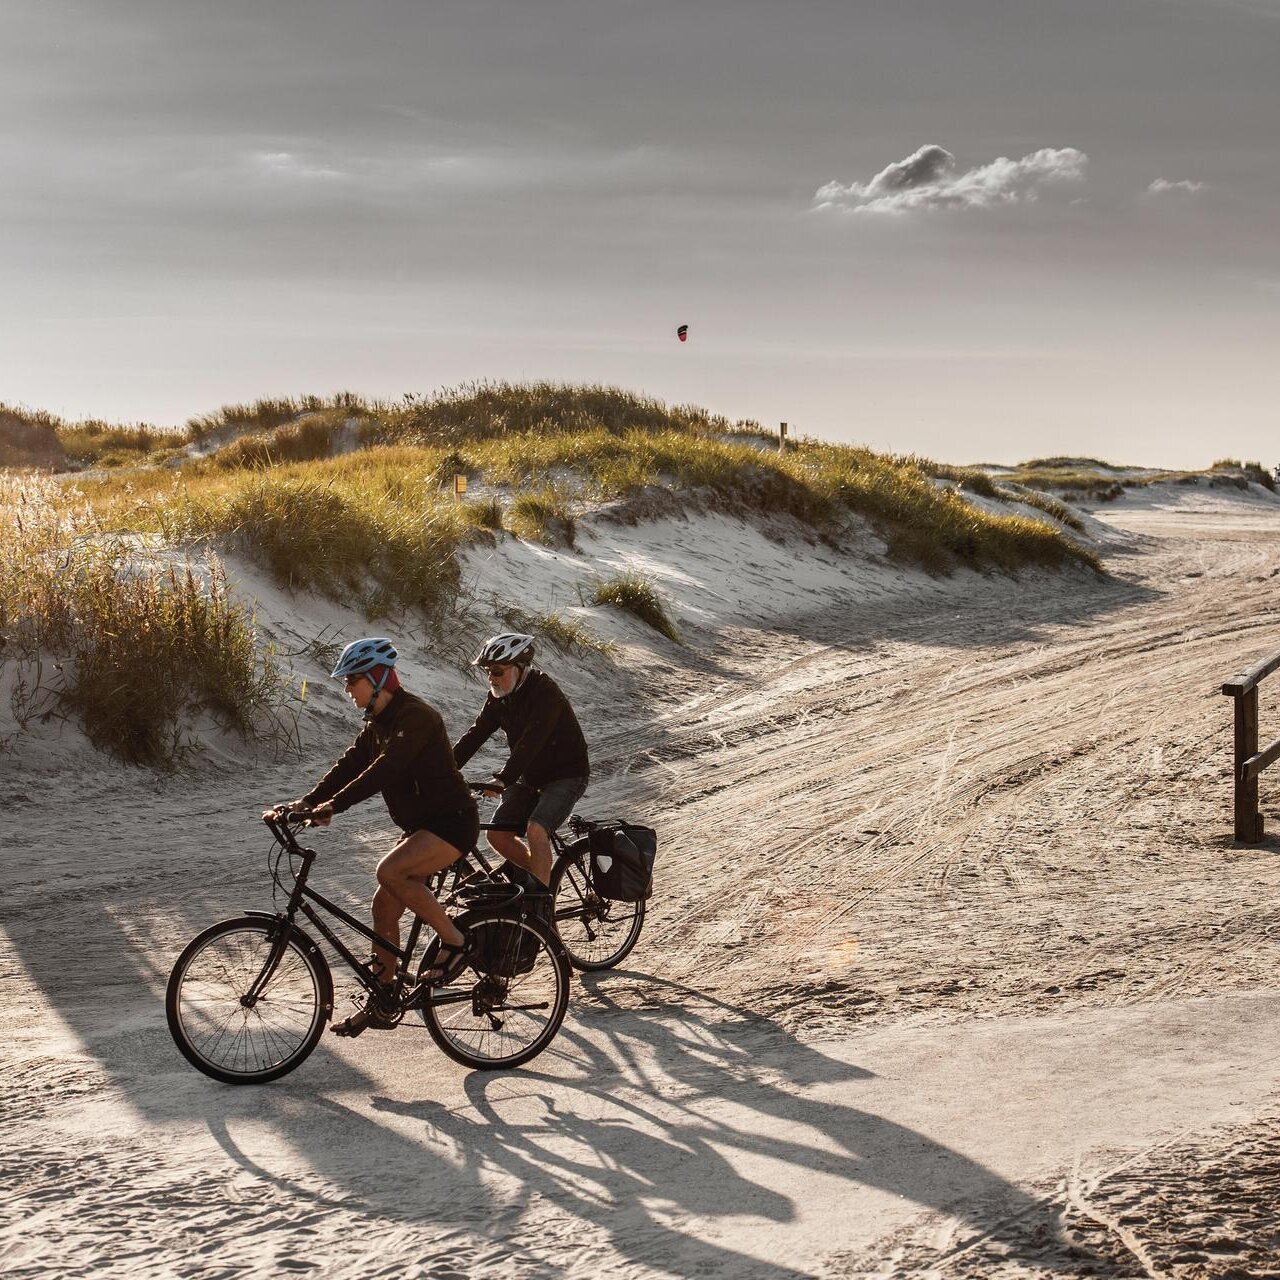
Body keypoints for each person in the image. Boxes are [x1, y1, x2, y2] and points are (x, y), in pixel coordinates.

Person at [291, 637, 479, 1037]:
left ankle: (455, 941)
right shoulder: (378, 722)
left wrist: (335, 806)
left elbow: (386, 769)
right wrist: (307, 801)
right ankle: (384, 997)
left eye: (352, 681)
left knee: (389, 871)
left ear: (377, 679)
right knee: (383, 907)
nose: (347, 689)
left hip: (452, 824)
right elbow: (351, 764)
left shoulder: (417, 717)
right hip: (421, 828)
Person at [453, 632, 590, 887]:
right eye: (488, 672)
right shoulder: (500, 697)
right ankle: (539, 881)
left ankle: (542, 904)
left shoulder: (545, 693)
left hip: (567, 774)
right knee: (497, 835)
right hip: (530, 775)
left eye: (497, 671)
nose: (491, 678)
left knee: (536, 829)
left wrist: (503, 779)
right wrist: (443, 769)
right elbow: (475, 734)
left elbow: (531, 742)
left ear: (520, 667)